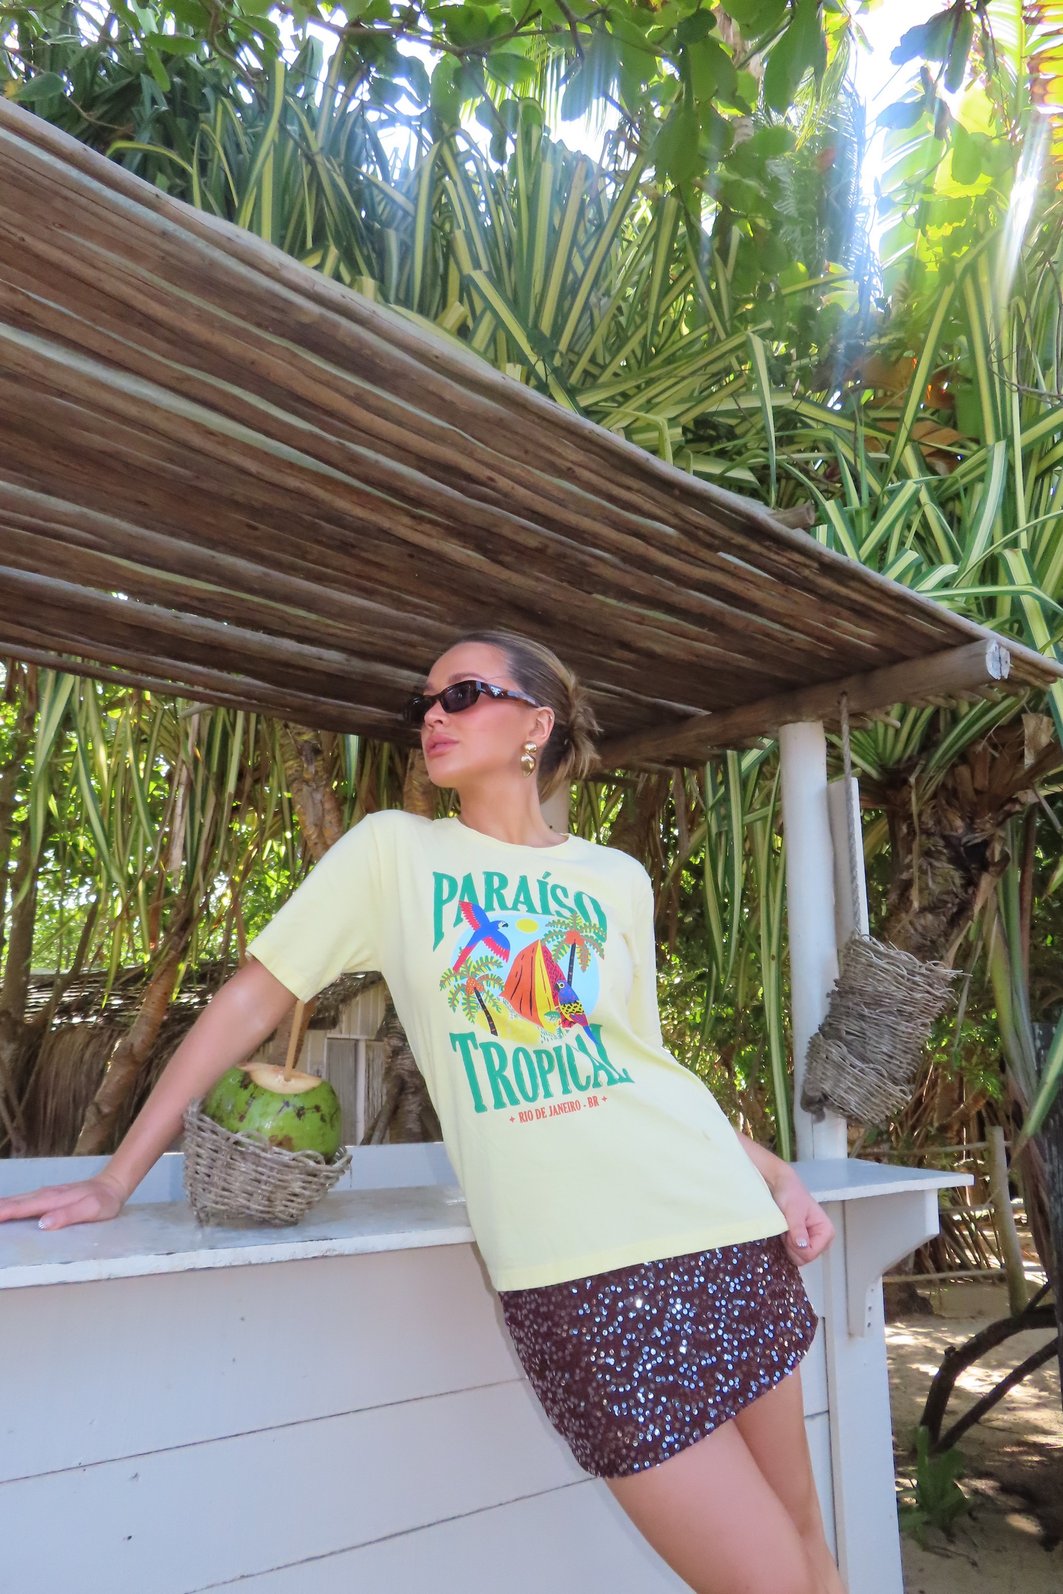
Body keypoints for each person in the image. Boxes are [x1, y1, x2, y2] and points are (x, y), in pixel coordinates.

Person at [0, 631, 841, 1594]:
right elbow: (248, 1001)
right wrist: (118, 1178)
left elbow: (640, 1063)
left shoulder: (615, 879)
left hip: (719, 1225)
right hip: (576, 1271)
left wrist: (772, 1171)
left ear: (536, 723)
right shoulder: (393, 854)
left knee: (809, 1547)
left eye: (462, 694)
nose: (432, 716)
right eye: (425, 703)